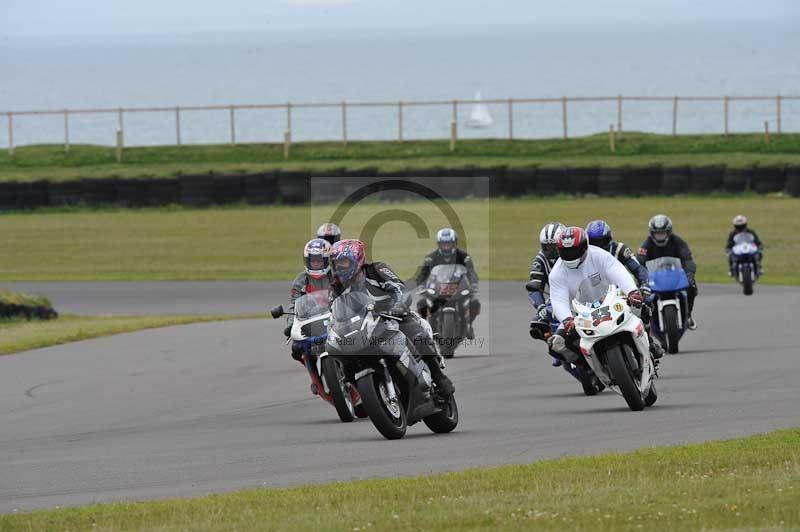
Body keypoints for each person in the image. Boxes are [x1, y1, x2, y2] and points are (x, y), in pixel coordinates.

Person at [330, 239, 455, 396]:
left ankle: (438, 376)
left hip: (393, 317)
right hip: (362, 327)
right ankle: (358, 390)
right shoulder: (336, 286)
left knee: (418, 336)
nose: (339, 267)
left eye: (344, 262)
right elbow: (332, 310)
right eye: (336, 263)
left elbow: (400, 289)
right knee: (341, 351)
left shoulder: (376, 270)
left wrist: (398, 305)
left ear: (357, 259)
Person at [547, 227, 662, 360]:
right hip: (579, 312)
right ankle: (587, 370)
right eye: (566, 251)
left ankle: (650, 344)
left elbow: (617, 271)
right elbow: (558, 299)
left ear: (585, 247)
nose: (571, 254)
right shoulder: (556, 274)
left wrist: (632, 291)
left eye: (574, 250)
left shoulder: (599, 255)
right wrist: (567, 318)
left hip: (612, 299)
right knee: (557, 343)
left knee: (643, 307)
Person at [414, 228, 480, 338]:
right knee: (421, 304)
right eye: (444, 244)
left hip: (458, 287)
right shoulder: (430, 258)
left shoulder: (464, 257)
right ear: (439, 244)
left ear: (455, 243)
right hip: (438, 288)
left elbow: (471, 273)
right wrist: (421, 285)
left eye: (449, 243)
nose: (446, 246)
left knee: (474, 302)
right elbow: (422, 275)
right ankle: (425, 329)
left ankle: (469, 324)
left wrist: (473, 285)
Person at [637, 215, 698, 330]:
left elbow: (688, 259)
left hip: (675, 275)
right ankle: (645, 319)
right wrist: (643, 279)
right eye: (657, 233)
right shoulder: (647, 244)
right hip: (655, 277)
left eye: (663, 233)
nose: (660, 236)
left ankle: (688, 314)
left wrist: (689, 275)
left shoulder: (677, 241)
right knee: (641, 293)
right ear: (652, 233)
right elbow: (640, 261)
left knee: (692, 286)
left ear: (669, 232)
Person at [284, 238, 332, 362]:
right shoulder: (300, 280)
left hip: (335, 318)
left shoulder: (337, 276)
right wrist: (290, 325)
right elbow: (294, 305)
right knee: (297, 348)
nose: (315, 263)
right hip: (312, 322)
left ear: (327, 260)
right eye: (312, 260)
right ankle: (316, 379)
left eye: (319, 260)